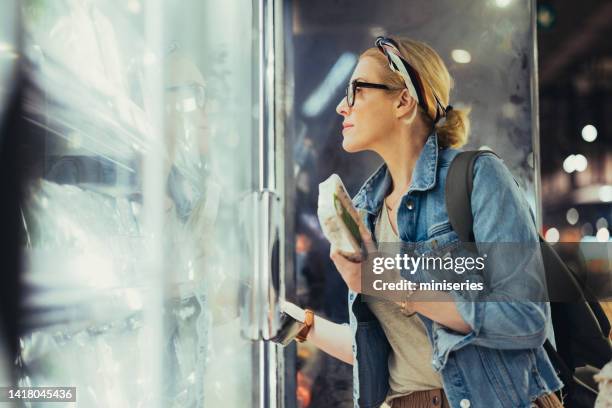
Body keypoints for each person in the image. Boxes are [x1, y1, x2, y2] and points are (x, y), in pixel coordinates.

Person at [284, 36, 564, 408]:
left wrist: (392, 283)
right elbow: (393, 353)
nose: (340, 106)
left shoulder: (479, 177)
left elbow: (526, 318)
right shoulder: (366, 211)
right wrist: (301, 325)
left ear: (403, 101)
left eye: (356, 91)